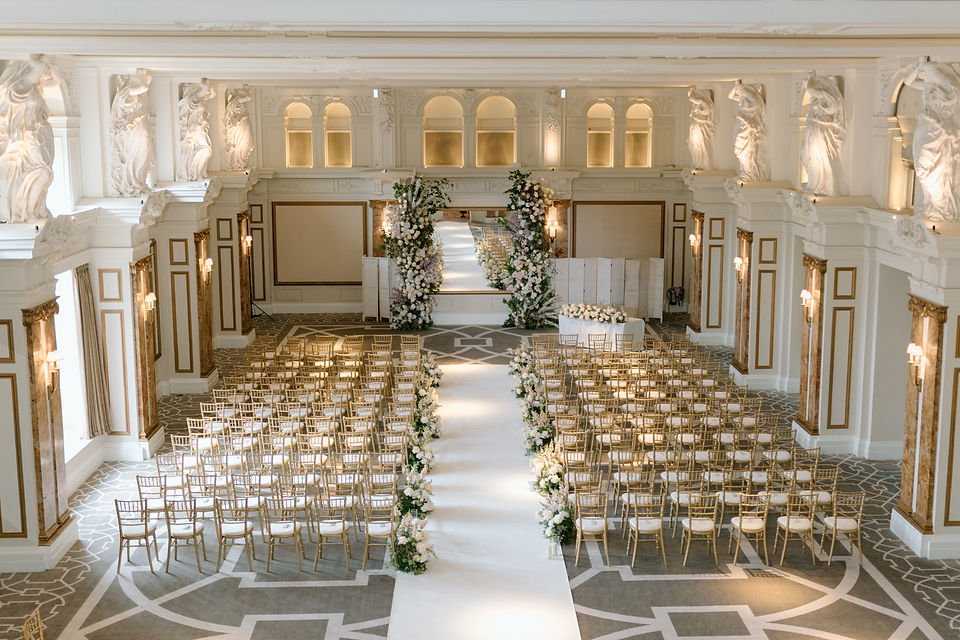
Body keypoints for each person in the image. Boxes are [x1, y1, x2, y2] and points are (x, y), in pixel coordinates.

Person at [0, 55, 58, 222]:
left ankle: (36, 209)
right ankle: (27, 212)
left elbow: (57, 80)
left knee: (46, 173)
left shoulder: (37, 87)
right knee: (42, 172)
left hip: (43, 133)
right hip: (32, 136)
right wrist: (39, 65)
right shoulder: (19, 88)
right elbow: (20, 90)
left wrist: (48, 62)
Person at [903, 60, 960, 221]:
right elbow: (908, 81)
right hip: (925, 127)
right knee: (923, 168)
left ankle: (941, 207)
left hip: (937, 131)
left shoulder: (948, 88)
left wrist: (924, 65)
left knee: (924, 169)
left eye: (925, 74)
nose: (923, 76)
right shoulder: (930, 87)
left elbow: (929, 71)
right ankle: (935, 205)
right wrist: (920, 68)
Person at [800, 73, 846, 196]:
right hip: (811, 131)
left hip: (819, 131)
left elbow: (811, 89)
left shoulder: (829, 100)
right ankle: (813, 183)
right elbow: (811, 89)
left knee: (818, 158)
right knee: (805, 155)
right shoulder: (815, 101)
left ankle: (821, 185)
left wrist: (810, 79)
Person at [728, 81, 768, 183]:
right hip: (740, 127)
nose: (741, 103)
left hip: (747, 130)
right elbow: (730, 96)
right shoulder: (746, 100)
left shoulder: (755, 102)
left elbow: (741, 92)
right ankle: (744, 171)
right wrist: (737, 87)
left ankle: (749, 173)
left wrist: (738, 86)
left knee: (745, 150)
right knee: (739, 150)